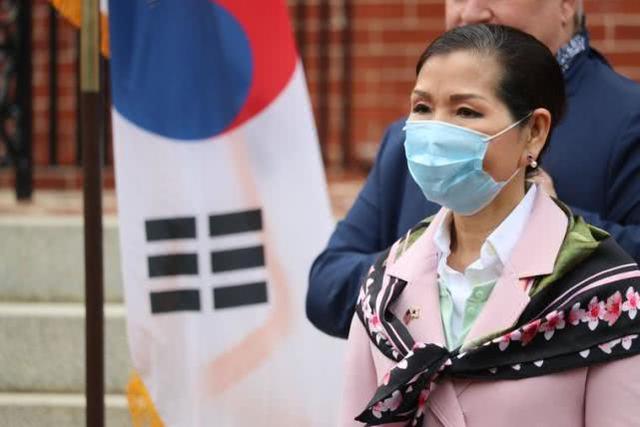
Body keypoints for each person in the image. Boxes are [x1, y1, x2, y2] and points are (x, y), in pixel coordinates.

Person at [340, 24, 640, 427]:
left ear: (534, 132)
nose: (436, 132)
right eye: (423, 108)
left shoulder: (605, 292)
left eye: (466, 111)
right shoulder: (386, 283)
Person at [307, 0, 640, 338]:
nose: (470, 12)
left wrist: (546, 221)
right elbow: (326, 289)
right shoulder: (412, 140)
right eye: (423, 106)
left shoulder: (628, 120)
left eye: (467, 112)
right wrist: (432, 264)